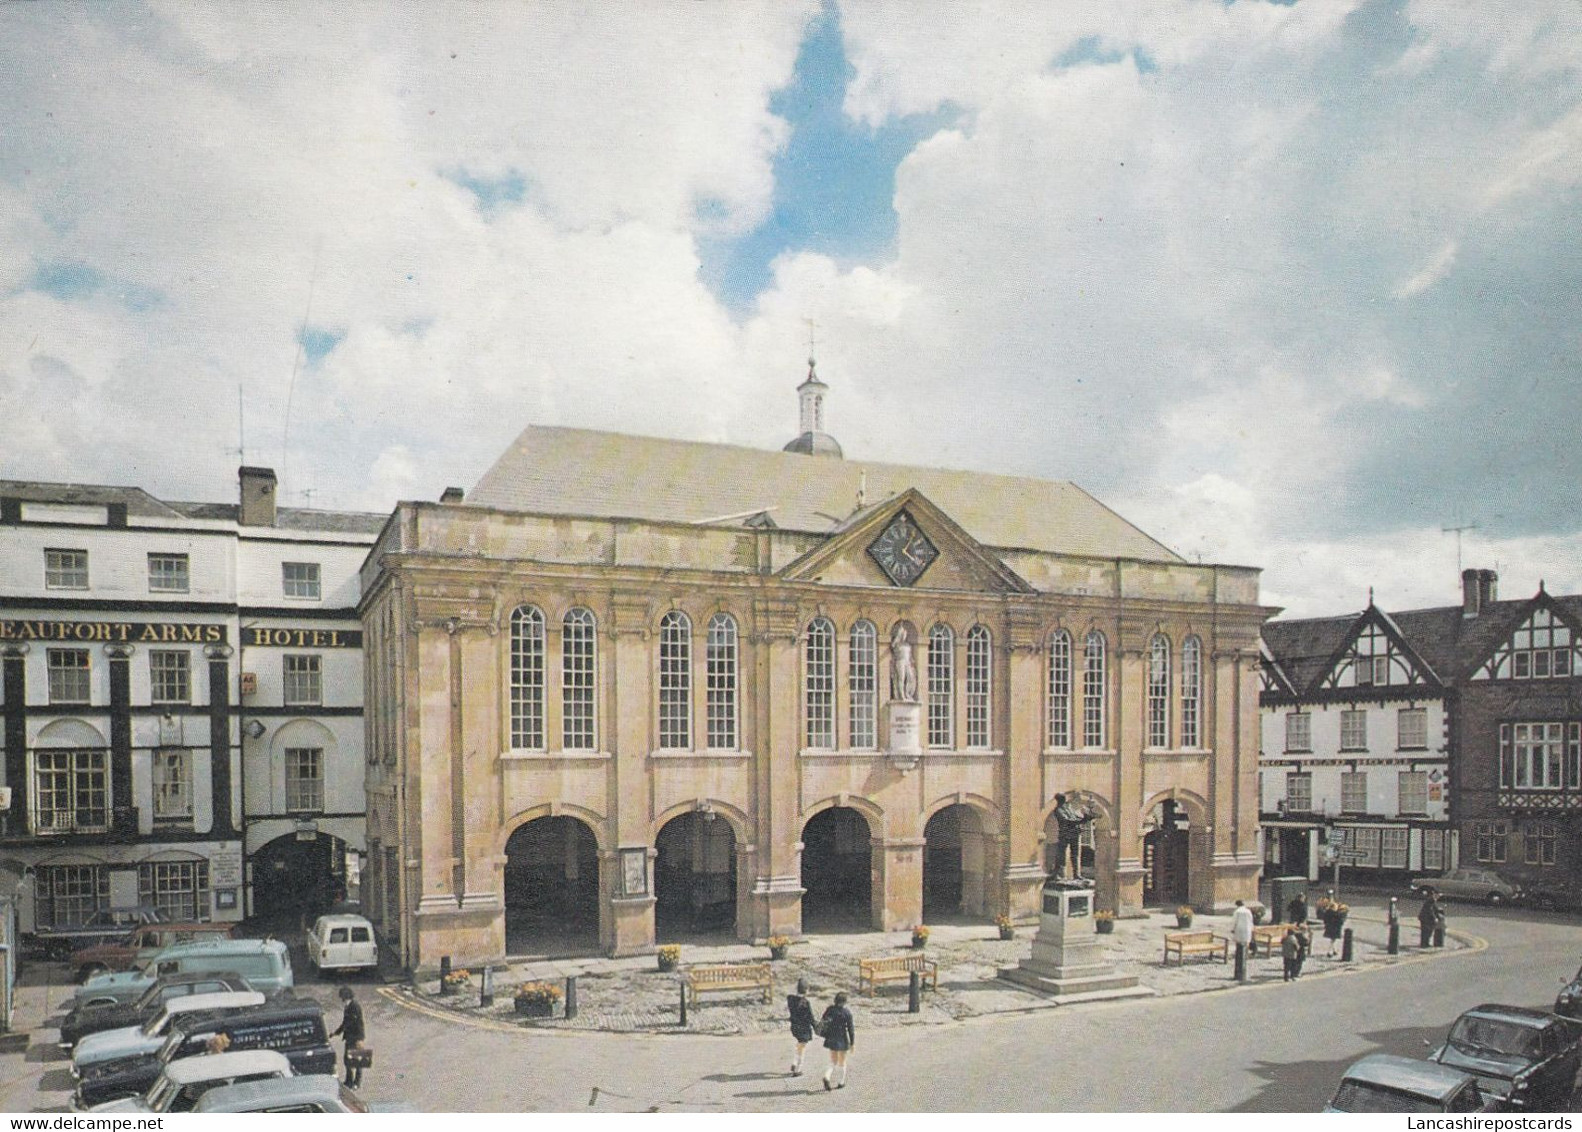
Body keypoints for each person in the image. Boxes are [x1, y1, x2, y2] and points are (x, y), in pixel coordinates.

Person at [329, 985, 367, 1088]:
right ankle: (349, 1080)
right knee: (347, 1060)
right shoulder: (348, 1007)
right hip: (349, 1037)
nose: (342, 1000)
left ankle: (357, 1083)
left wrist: (360, 1039)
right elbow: (344, 1023)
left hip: (356, 1037)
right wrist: (336, 1033)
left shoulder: (355, 1006)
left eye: (343, 998)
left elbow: (356, 1023)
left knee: (357, 1060)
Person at [818, 991, 855, 1091]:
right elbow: (851, 1029)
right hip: (842, 1039)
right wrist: (852, 1043)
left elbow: (823, 1020)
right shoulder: (847, 1013)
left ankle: (827, 1076)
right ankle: (841, 1082)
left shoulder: (830, 1010)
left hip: (831, 1038)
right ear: (844, 1002)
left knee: (833, 1061)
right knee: (842, 1062)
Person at [1051, 794, 1094, 880]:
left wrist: (1085, 818)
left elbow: (1075, 817)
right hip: (1065, 834)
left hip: (1075, 833)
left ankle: (1076, 874)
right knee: (1061, 854)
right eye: (1063, 798)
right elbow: (1067, 821)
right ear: (1059, 800)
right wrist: (1082, 820)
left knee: (1076, 855)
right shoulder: (1058, 810)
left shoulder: (1069, 807)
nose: (1065, 800)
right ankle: (1059, 874)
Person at [786, 978, 816, 1077]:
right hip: (804, 1029)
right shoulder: (806, 1003)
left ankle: (794, 1062)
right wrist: (817, 1027)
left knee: (799, 1044)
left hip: (794, 1027)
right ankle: (798, 1068)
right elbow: (811, 1018)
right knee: (802, 1047)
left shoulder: (790, 999)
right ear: (807, 990)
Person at [889, 624, 917, 703]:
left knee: (910, 677)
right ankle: (901, 696)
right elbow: (892, 645)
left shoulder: (907, 645)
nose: (904, 636)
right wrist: (898, 635)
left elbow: (910, 655)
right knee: (901, 678)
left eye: (905, 634)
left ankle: (908, 694)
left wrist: (912, 662)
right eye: (903, 634)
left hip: (907, 662)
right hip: (900, 661)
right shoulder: (897, 645)